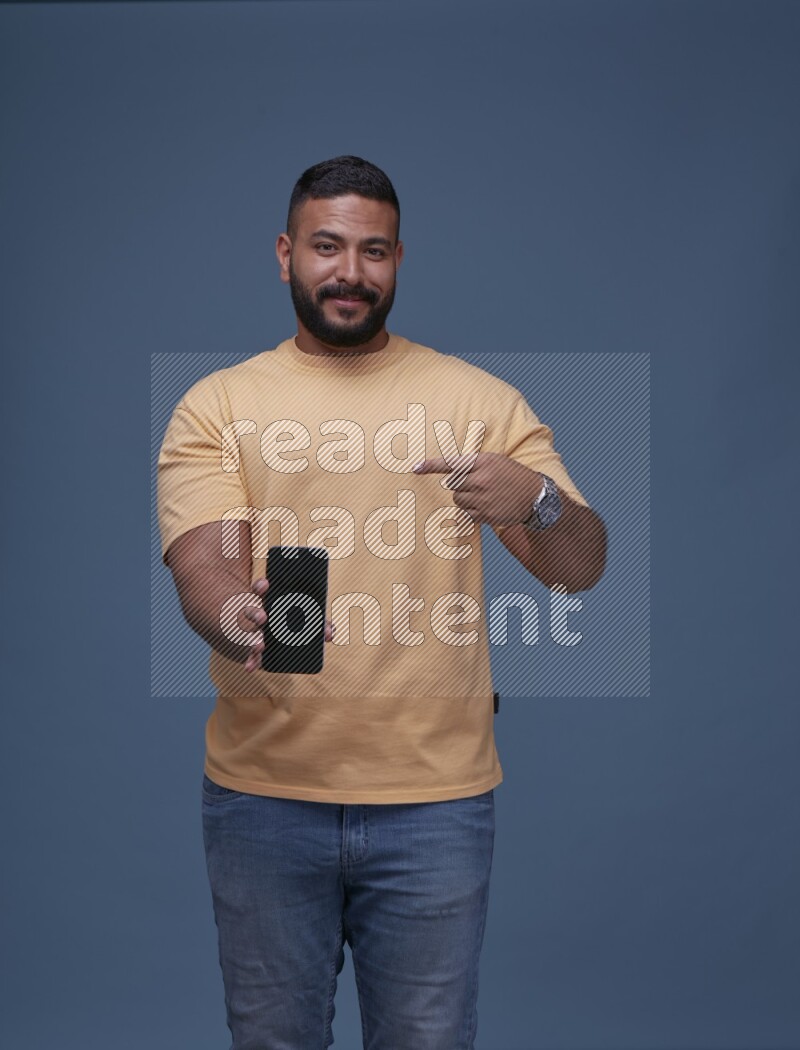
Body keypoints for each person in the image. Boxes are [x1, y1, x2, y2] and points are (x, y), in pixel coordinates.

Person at [157, 155, 606, 1050]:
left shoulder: (477, 401)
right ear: (285, 253)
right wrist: (237, 614)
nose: (350, 272)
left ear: (399, 259)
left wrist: (538, 500)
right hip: (264, 798)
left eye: (373, 251)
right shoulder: (219, 405)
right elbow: (204, 566)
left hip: (436, 804)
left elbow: (581, 568)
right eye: (327, 246)